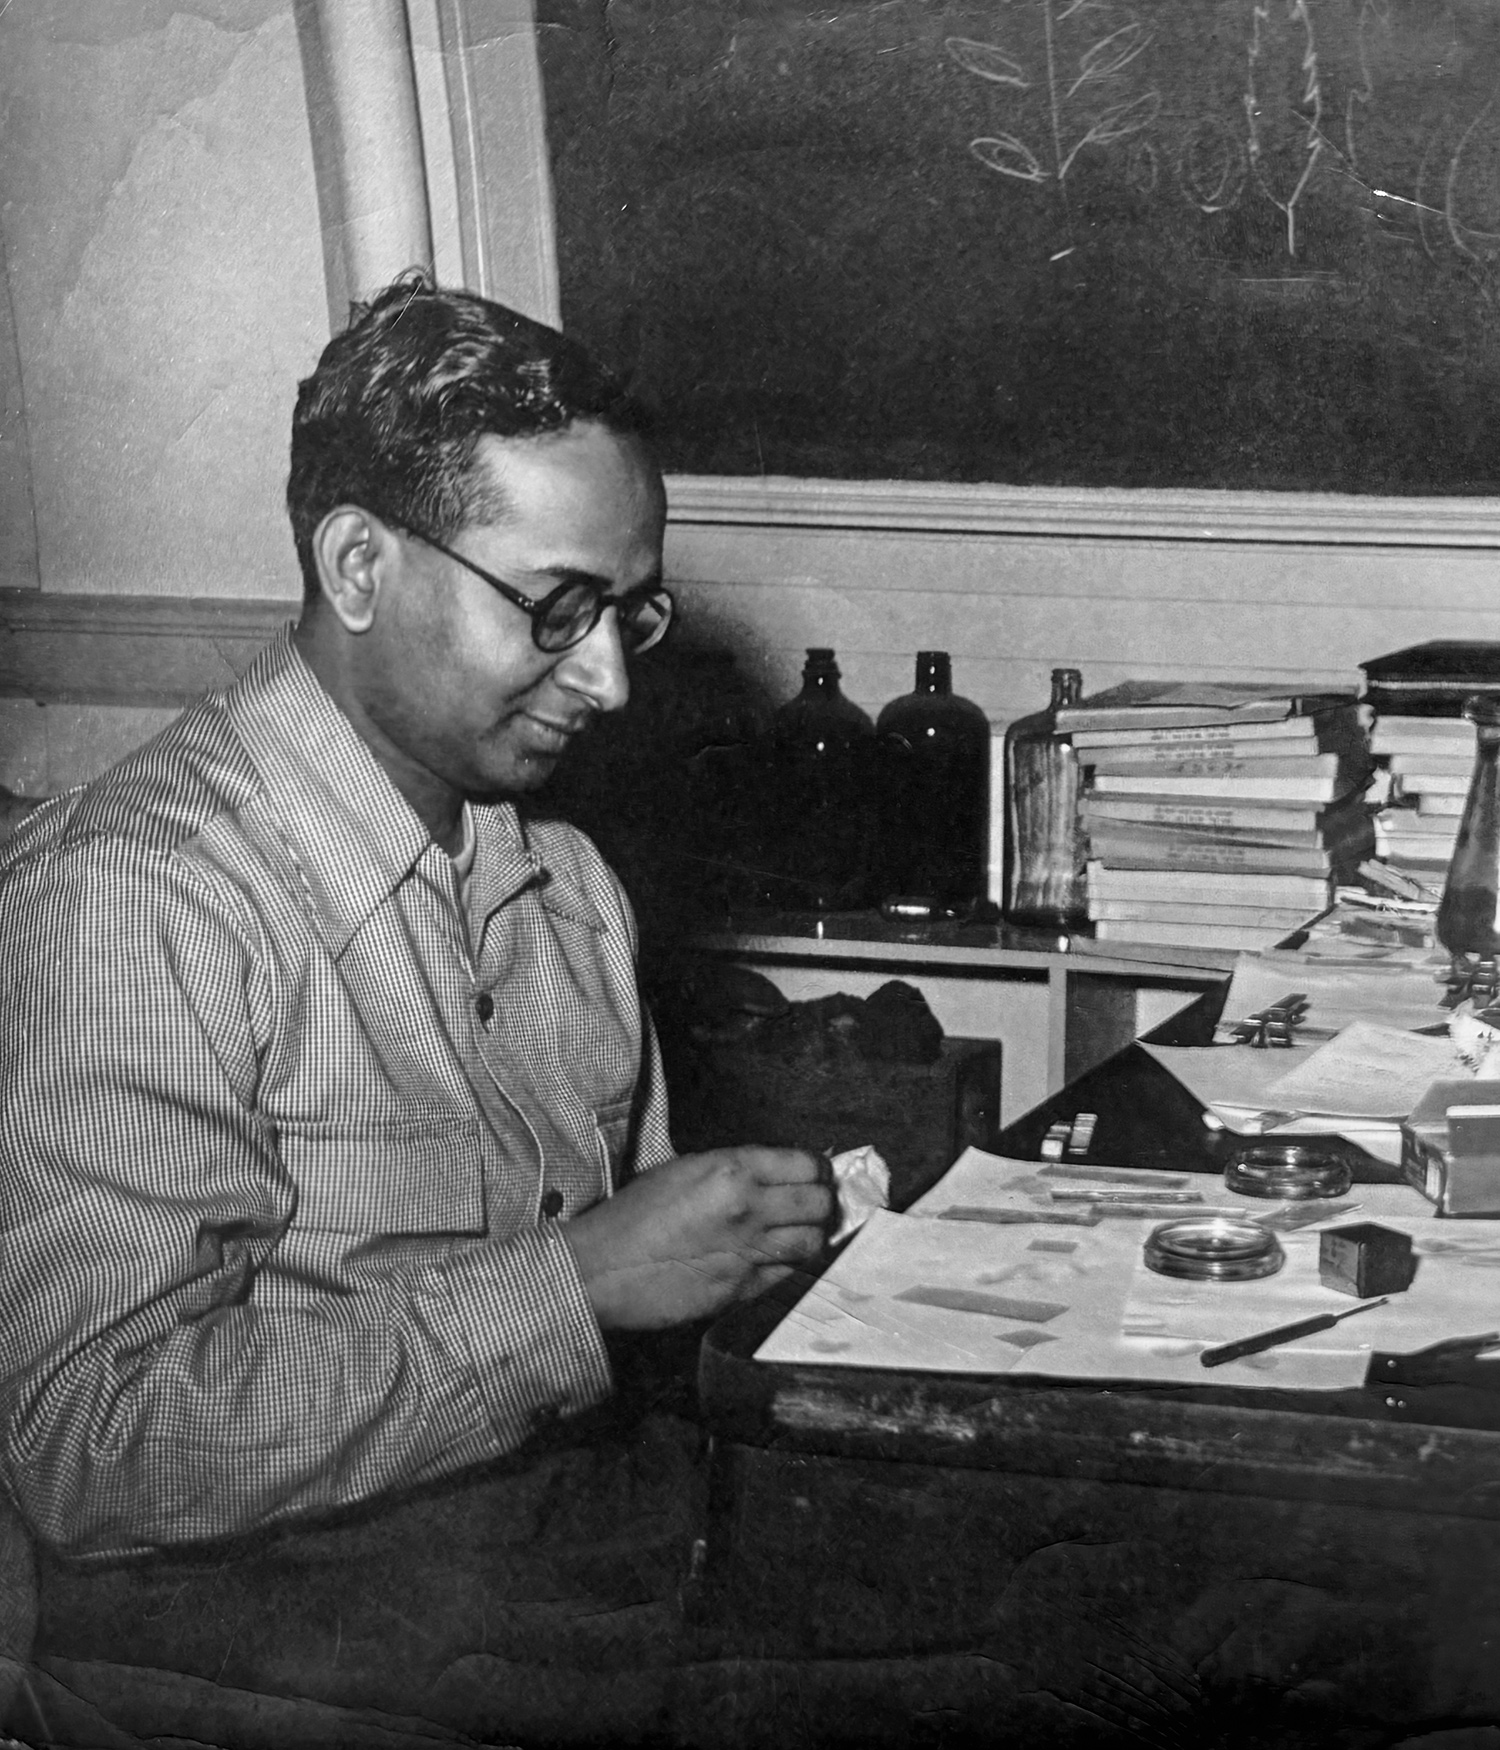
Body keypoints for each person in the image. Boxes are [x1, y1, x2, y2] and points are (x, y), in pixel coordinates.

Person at [0, 274, 831, 1747]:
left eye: (632, 610)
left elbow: (640, 1313)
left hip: (554, 1605)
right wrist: (571, 1289)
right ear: (361, 564)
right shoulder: (142, 892)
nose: (613, 679)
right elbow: (93, 1446)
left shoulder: (564, 878)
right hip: (255, 1670)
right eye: (558, 607)